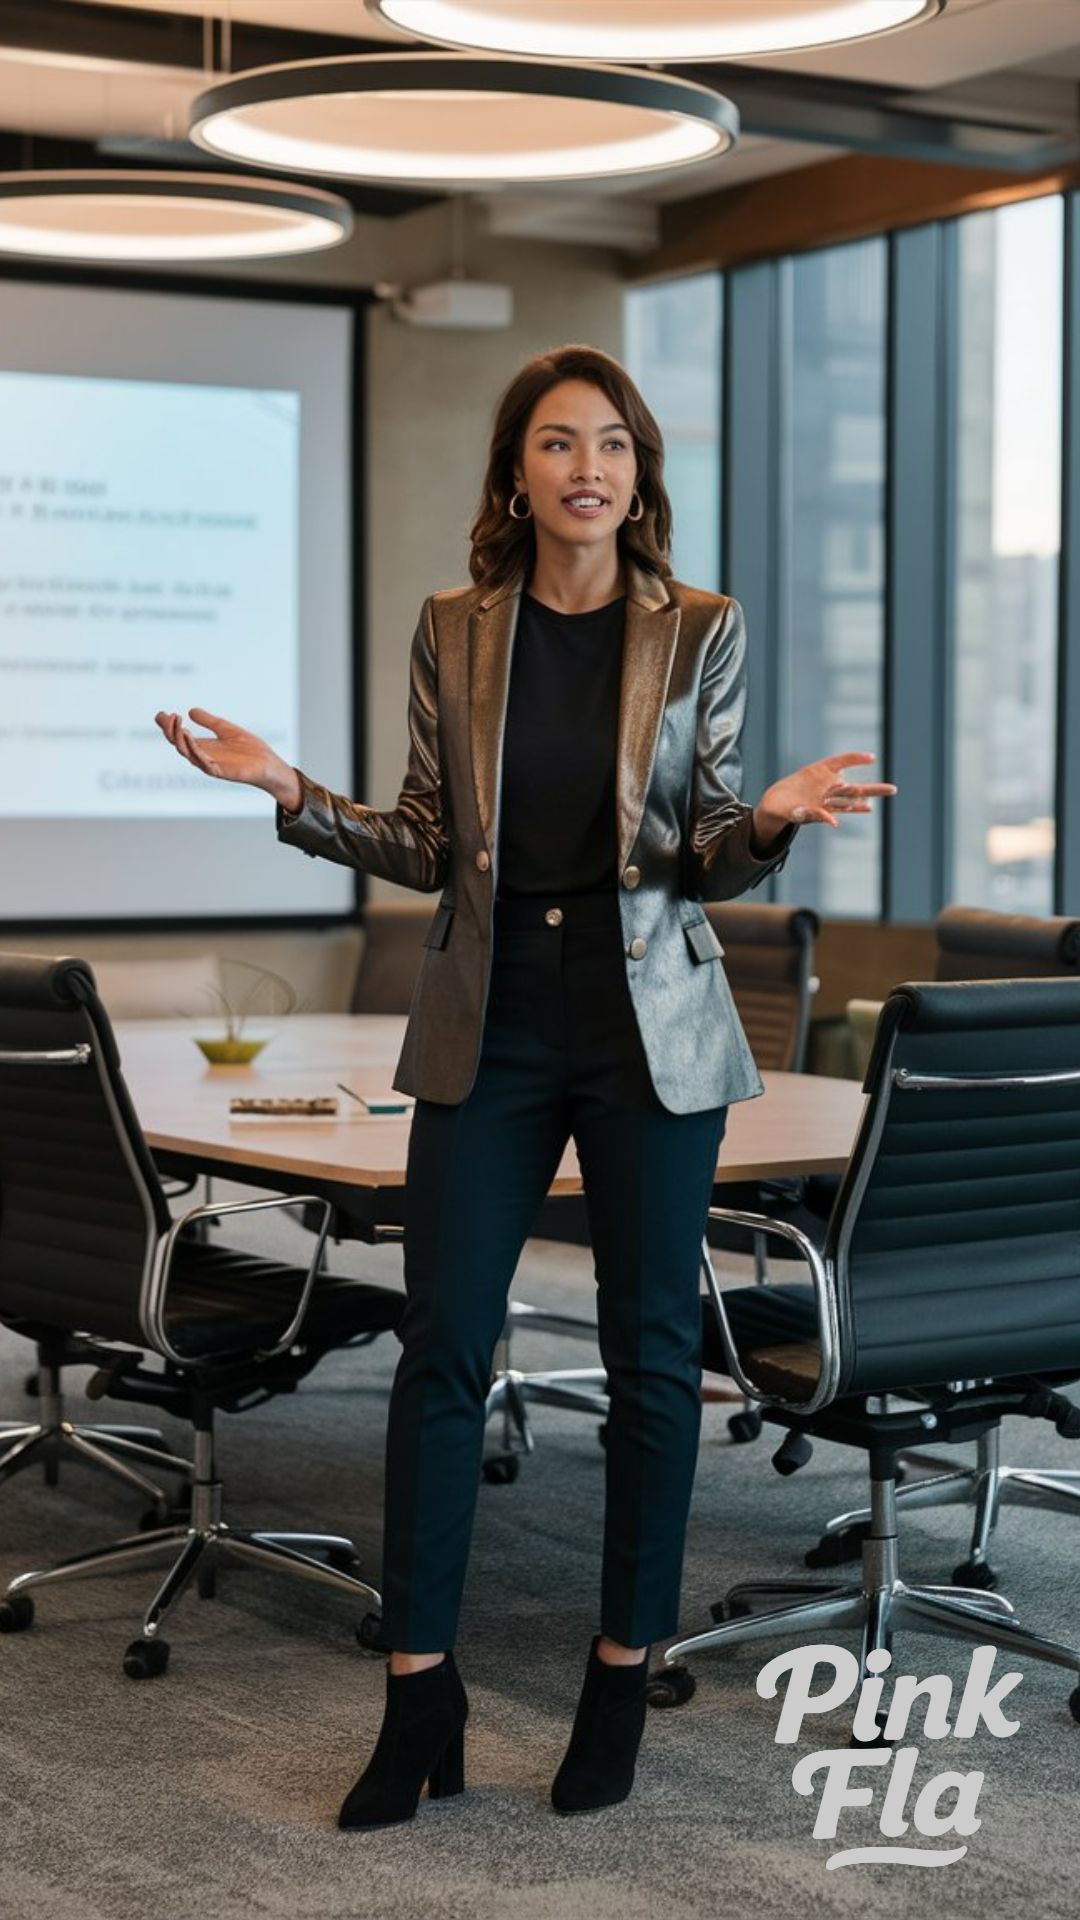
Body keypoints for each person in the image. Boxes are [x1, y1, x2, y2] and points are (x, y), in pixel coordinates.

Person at [154, 342, 896, 1831]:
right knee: (439, 1352)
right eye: (560, 444)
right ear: (517, 474)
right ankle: (420, 1687)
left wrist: (767, 816)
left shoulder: (700, 629)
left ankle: (621, 1665)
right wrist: (293, 794)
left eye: (613, 444)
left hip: (650, 1031)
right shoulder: (457, 625)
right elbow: (430, 842)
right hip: (490, 1021)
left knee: (647, 1359)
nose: (589, 469)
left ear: (638, 473)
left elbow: (694, 852)